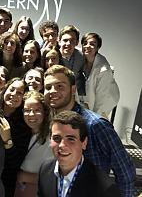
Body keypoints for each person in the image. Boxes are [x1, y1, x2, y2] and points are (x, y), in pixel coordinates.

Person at [43, 65, 136, 197]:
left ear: (73, 89)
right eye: (48, 87)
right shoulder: (51, 122)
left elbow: (125, 171)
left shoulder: (95, 124)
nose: (52, 91)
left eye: (60, 86)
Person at [38, 110, 121, 197]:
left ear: (84, 143)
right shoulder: (45, 169)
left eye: (71, 139)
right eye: (57, 138)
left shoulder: (105, 189)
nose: (62, 145)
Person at [14, 91, 52, 197]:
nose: (31, 114)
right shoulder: (21, 134)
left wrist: (24, 176)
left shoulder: (52, 137)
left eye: (37, 110)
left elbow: (58, 174)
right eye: (27, 110)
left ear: (45, 112)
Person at [0, 78, 31, 197]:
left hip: (5, 182)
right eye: (12, 89)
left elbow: (16, 163)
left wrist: (8, 140)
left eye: (19, 93)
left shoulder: (24, 125)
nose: (14, 94)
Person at [80, 32, 120, 117]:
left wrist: (94, 118)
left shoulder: (104, 70)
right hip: (86, 103)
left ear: (97, 47)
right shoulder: (80, 60)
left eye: (92, 44)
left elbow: (101, 101)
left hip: (104, 103)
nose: (87, 46)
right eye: (85, 43)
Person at [58, 25, 85, 95]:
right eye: (65, 40)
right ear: (59, 41)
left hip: (77, 95)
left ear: (77, 42)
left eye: (72, 40)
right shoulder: (52, 56)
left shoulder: (82, 56)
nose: (68, 44)